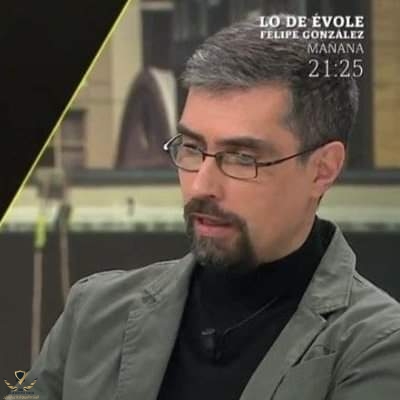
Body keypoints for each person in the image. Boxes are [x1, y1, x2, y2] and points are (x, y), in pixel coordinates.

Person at [23, 15, 400, 400]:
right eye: (191, 148)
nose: (201, 186)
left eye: (241, 158)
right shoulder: (93, 313)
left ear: (323, 169)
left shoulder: (378, 346)